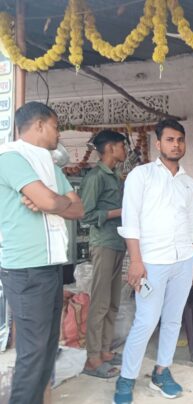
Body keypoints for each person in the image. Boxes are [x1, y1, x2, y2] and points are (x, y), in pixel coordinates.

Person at [113, 119, 193, 404]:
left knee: (173, 320)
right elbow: (130, 221)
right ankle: (126, 378)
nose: (176, 145)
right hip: (152, 262)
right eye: (170, 140)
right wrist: (136, 261)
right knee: (146, 321)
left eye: (180, 140)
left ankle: (161, 372)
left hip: (183, 260)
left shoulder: (188, 183)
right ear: (158, 143)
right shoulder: (141, 176)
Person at [0, 101, 84, 404]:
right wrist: (55, 202)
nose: (58, 134)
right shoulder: (10, 157)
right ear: (38, 125)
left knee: (48, 350)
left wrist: (51, 202)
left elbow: (78, 208)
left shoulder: (49, 166)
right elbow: (54, 202)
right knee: (33, 354)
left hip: (50, 267)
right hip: (25, 270)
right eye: (55, 127)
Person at [79, 130, 127, 378]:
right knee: (99, 303)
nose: (125, 150)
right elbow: (85, 215)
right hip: (103, 244)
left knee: (113, 301)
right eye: (122, 146)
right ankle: (92, 358)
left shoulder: (115, 176)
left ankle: (105, 351)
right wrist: (119, 212)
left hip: (118, 243)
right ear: (110, 148)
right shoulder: (96, 177)